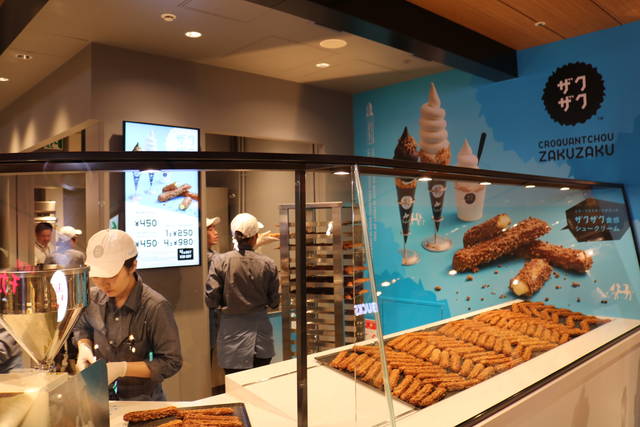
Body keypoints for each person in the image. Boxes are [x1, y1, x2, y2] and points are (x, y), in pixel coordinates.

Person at [73, 229, 182, 400]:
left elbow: (171, 362)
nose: (103, 284)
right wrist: (84, 346)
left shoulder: (155, 306)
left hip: (143, 401)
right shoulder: (92, 298)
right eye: (97, 277)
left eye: (111, 276)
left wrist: (122, 369)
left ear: (132, 266)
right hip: (100, 398)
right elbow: (82, 326)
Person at [205, 213, 280, 374]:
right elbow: (274, 302)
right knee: (259, 384)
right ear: (255, 237)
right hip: (261, 339)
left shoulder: (220, 261)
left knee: (235, 385)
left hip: (232, 340)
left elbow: (211, 300)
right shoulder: (268, 264)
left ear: (234, 235)